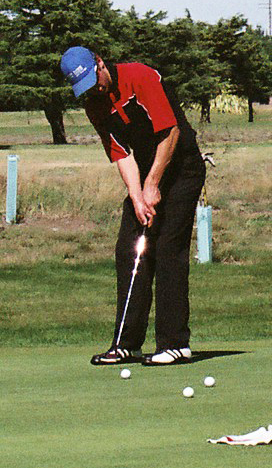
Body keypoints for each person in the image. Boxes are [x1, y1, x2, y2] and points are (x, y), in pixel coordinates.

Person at [62, 45, 207, 367]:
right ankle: (126, 344)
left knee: (168, 248)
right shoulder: (95, 105)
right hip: (144, 174)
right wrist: (138, 195)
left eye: (94, 81)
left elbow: (170, 133)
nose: (95, 90)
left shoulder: (139, 77)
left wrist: (153, 184)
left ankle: (175, 344)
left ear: (99, 63)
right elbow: (121, 153)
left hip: (182, 168)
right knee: (130, 249)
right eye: (85, 88)